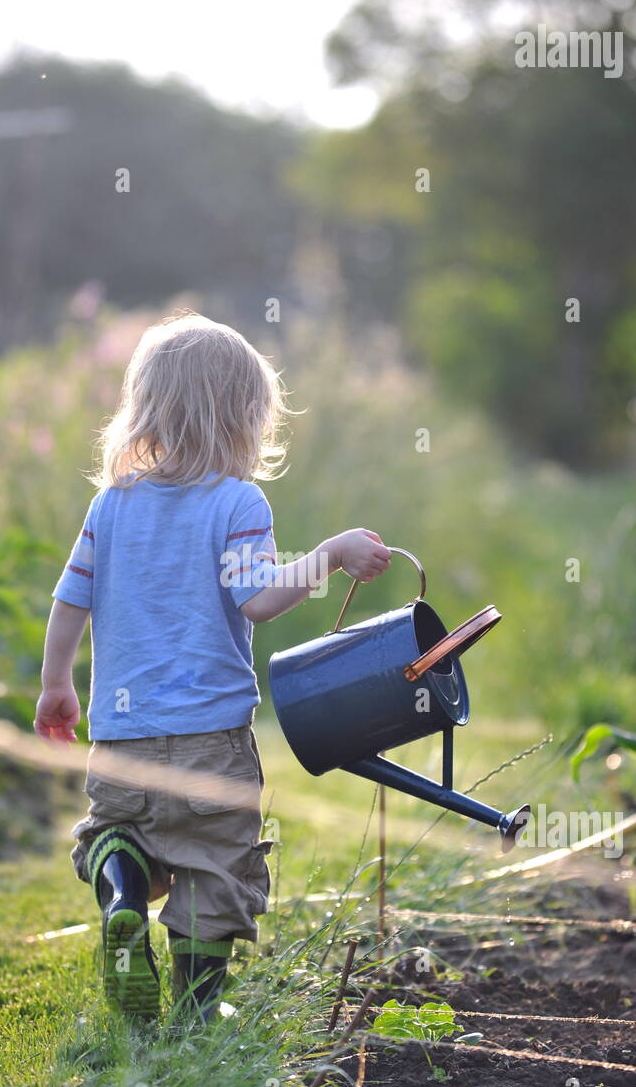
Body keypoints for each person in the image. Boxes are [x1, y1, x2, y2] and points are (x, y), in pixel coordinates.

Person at [34, 310, 391, 1023]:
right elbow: (257, 600)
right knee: (214, 869)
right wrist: (330, 552)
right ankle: (196, 1011)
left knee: (118, 833)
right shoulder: (237, 503)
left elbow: (70, 597)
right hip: (210, 742)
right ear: (241, 418)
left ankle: (123, 897)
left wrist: (55, 685)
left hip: (121, 738)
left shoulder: (111, 506)